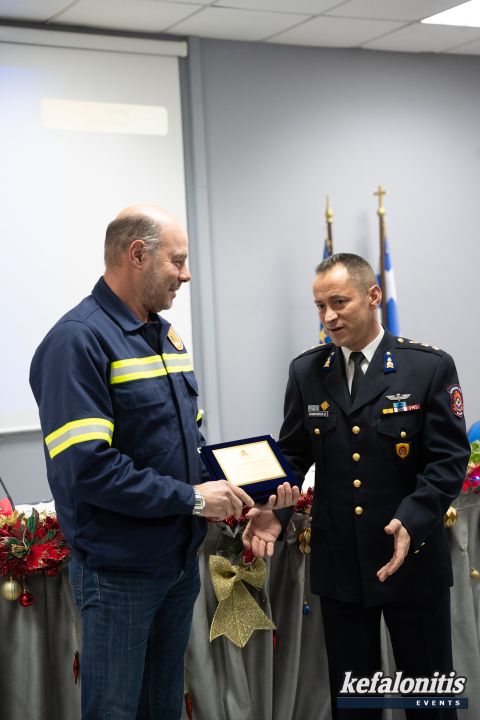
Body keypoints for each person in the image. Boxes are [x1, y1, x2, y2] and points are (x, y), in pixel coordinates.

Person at [29, 204, 296, 720]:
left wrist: (252, 490)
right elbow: (87, 468)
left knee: (163, 707)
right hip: (118, 572)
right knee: (115, 711)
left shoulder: (165, 336)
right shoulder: (77, 340)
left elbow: (184, 450)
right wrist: (195, 499)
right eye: (177, 260)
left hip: (175, 565)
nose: (186, 274)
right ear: (137, 255)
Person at [243, 253, 470, 720]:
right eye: (319, 306)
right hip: (341, 563)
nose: (328, 317)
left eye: (339, 302)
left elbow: (449, 459)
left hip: (411, 557)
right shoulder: (307, 371)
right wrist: (274, 509)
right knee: (355, 704)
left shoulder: (426, 366)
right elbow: (294, 457)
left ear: (373, 296)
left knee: (428, 700)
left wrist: (413, 518)